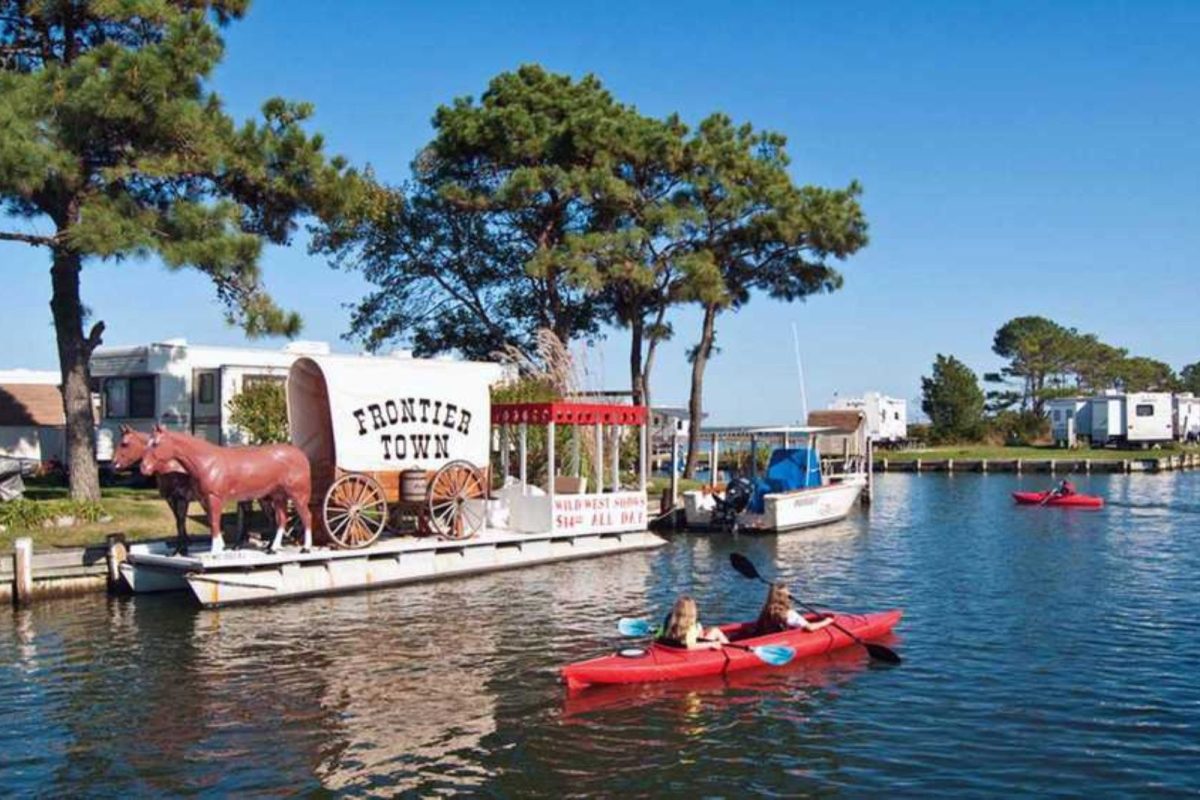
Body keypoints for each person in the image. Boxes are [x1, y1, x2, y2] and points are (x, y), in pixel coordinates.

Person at [753, 583, 836, 637]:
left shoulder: (766, 610)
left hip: (770, 637)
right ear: (785, 597)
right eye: (789, 594)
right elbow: (810, 627)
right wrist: (827, 621)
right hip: (781, 641)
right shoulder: (789, 614)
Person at [657, 595, 729, 650]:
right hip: (687, 649)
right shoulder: (690, 626)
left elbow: (661, 636)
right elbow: (690, 645)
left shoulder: (671, 619)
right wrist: (711, 644)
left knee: (706, 630)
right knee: (715, 631)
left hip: (673, 646)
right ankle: (731, 650)